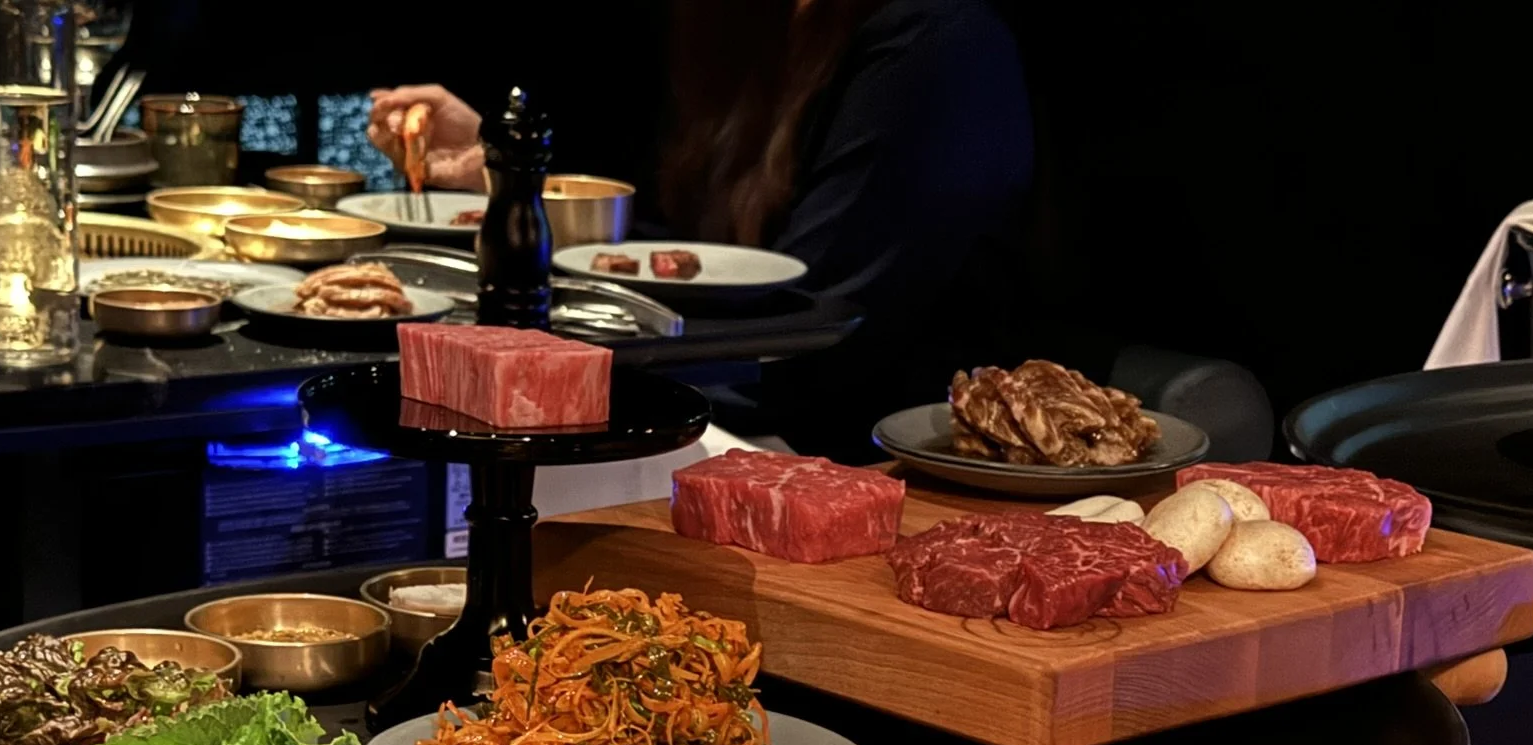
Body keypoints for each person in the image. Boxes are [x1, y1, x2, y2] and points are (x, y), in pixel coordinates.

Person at [370, 0, 1035, 461]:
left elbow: (818, 326)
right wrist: (510, 174)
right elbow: (696, 263)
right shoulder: (748, 27)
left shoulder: (937, 42)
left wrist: (578, 384)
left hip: (867, 458)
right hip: (760, 418)